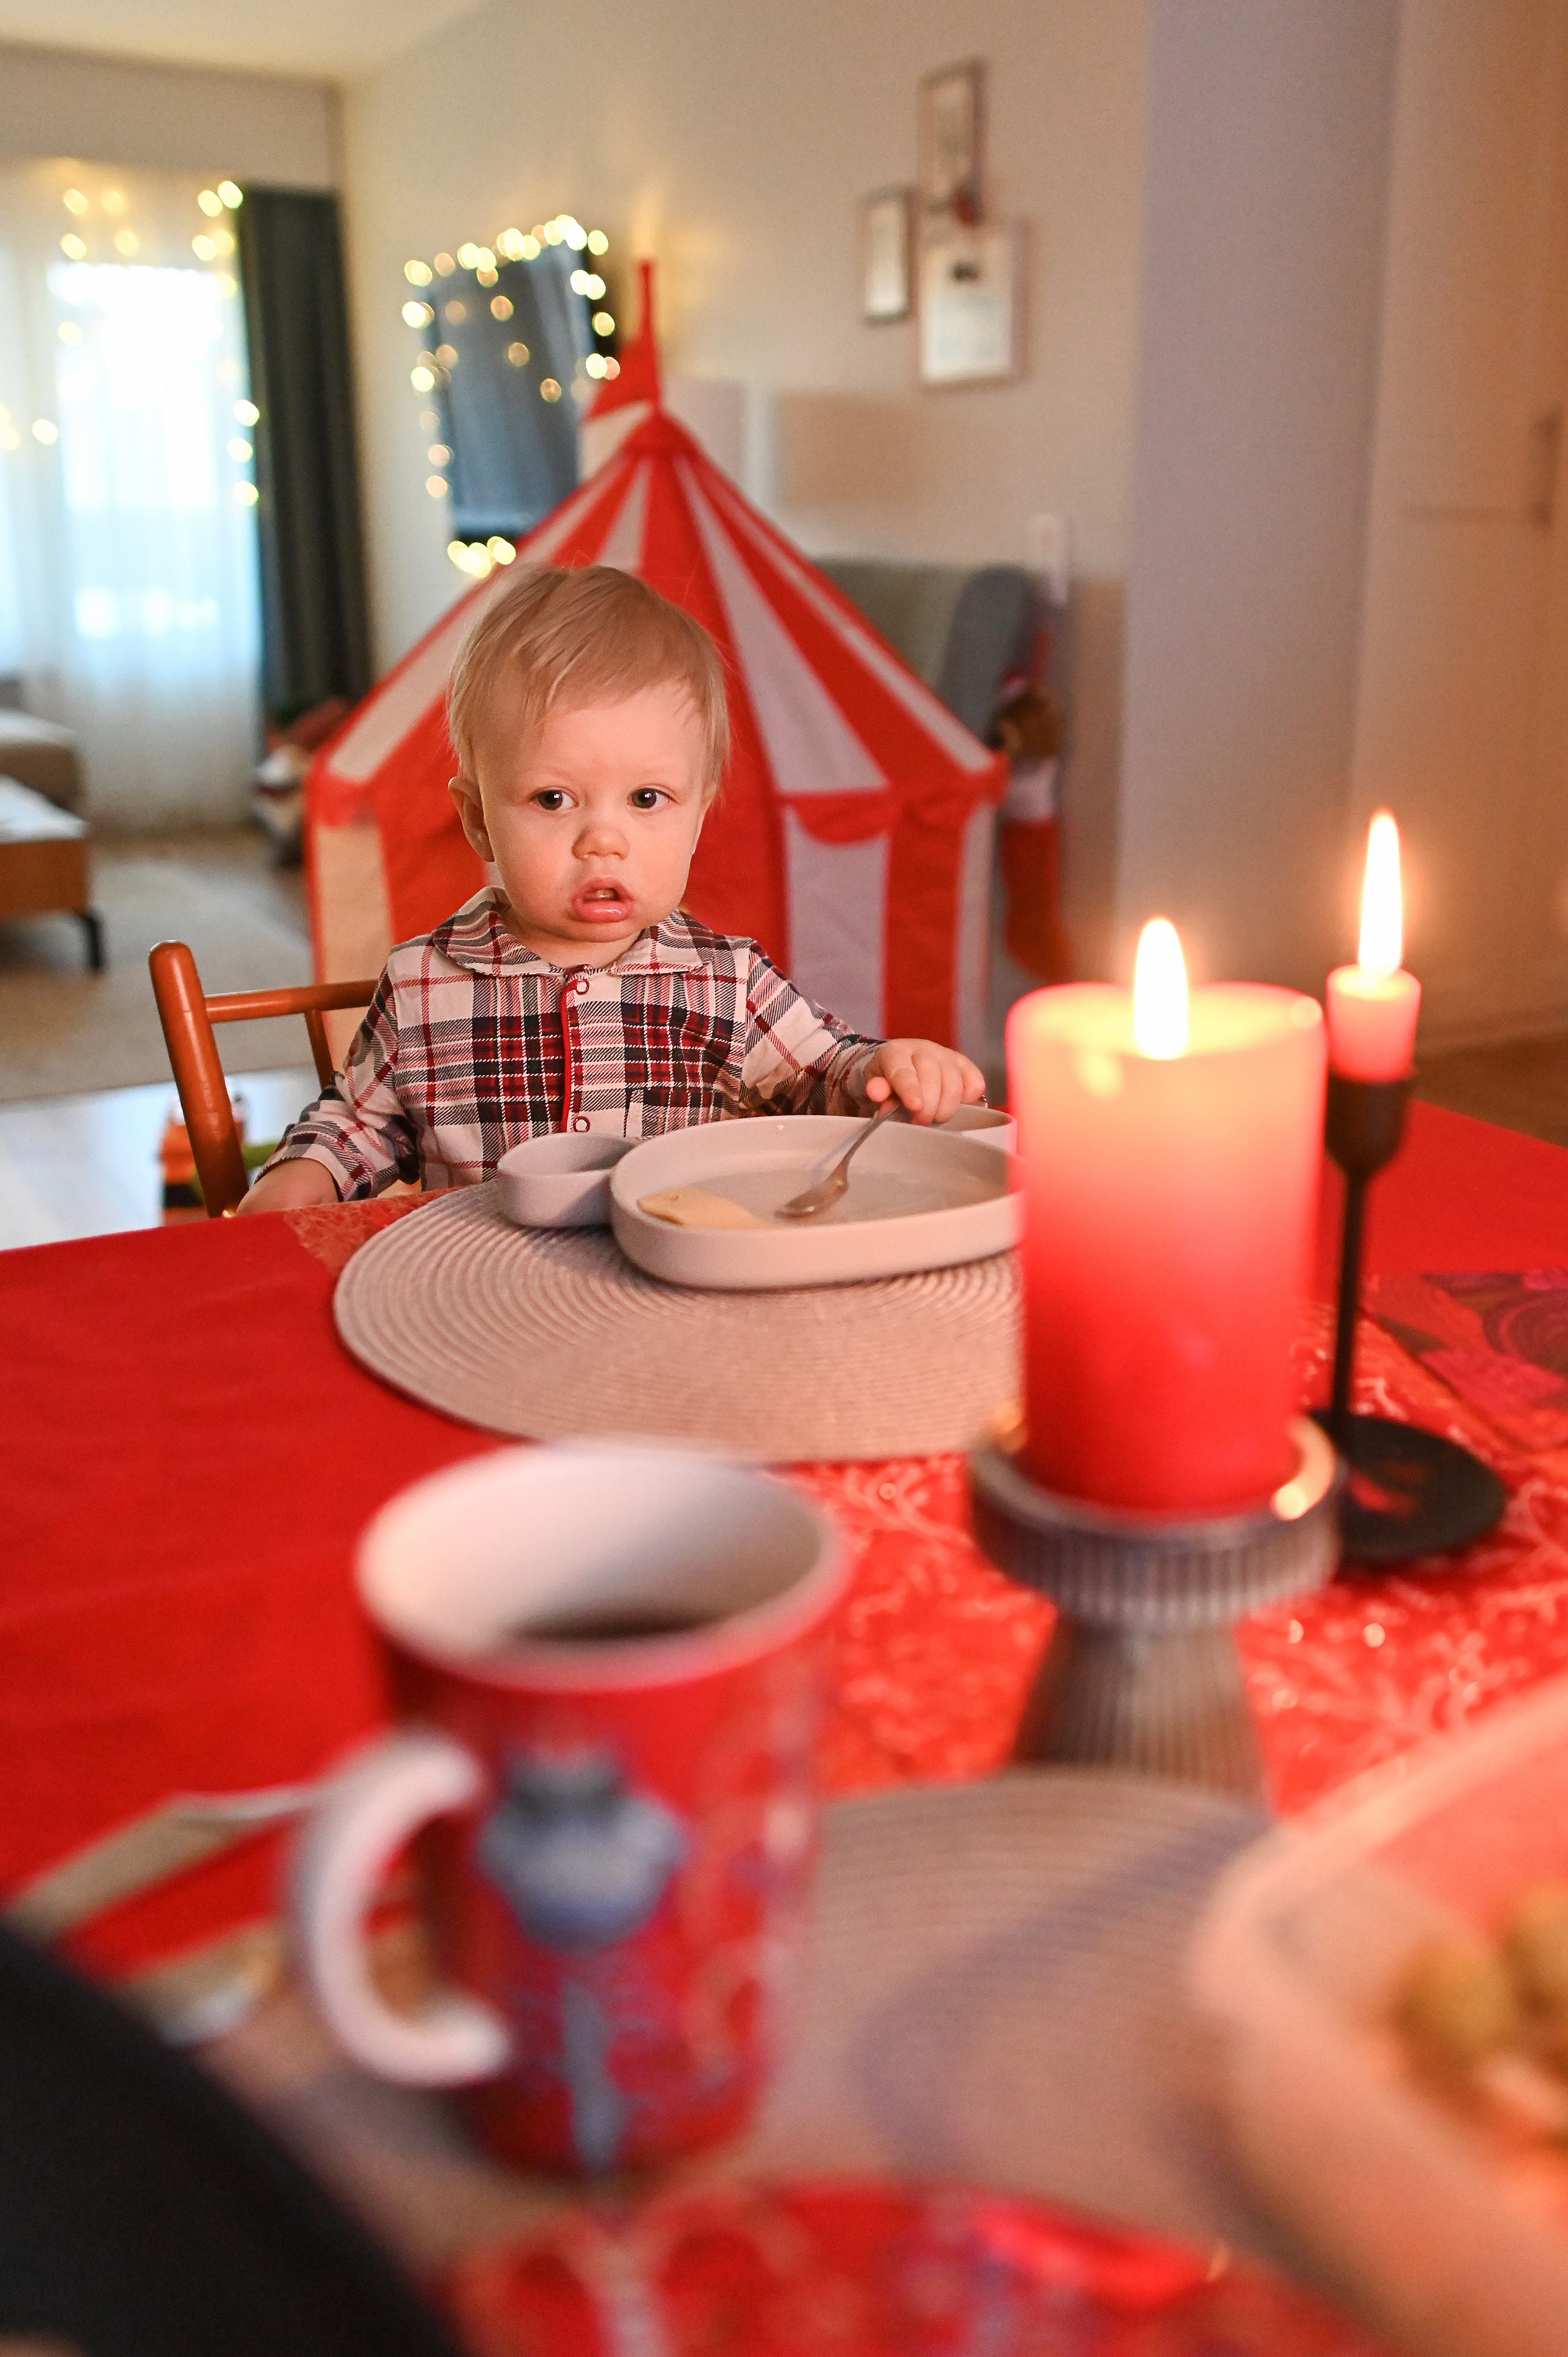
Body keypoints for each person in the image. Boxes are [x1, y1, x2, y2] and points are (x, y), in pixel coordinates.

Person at [240, 565, 985, 1213]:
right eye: (554, 799)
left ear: (697, 816)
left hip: (672, 1298)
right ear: (476, 819)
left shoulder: (727, 980)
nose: (605, 839)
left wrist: (890, 1068)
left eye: (647, 799)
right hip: (480, 1301)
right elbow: (359, 1124)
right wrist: (302, 1174)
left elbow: (829, 1072)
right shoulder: (422, 984)